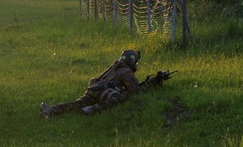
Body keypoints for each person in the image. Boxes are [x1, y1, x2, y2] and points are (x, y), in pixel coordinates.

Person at [39, 49, 169, 117]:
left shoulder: (116, 66)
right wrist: (154, 82)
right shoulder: (126, 71)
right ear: (132, 61)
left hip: (94, 88)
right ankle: (92, 110)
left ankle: (51, 110)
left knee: (77, 103)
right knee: (120, 97)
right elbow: (135, 91)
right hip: (103, 91)